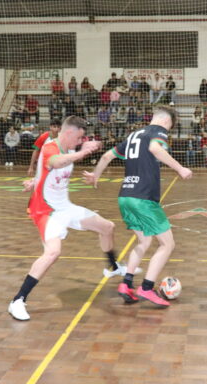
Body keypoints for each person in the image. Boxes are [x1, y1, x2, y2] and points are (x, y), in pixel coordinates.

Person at [8, 116, 125, 321]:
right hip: (46, 211)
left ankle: (113, 268)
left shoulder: (70, 147)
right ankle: (18, 300)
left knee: (107, 227)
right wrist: (82, 151)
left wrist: (92, 144)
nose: (80, 141)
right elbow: (55, 162)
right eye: (78, 137)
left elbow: (47, 171)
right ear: (69, 133)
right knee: (53, 253)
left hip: (65, 207)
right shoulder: (51, 148)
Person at [83, 107, 193, 307]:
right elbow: (155, 149)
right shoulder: (158, 132)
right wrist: (180, 168)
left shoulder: (135, 134)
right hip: (143, 198)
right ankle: (147, 288)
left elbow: (107, 156)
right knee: (167, 244)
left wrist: (96, 175)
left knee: (144, 242)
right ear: (167, 122)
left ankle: (126, 285)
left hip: (125, 196)